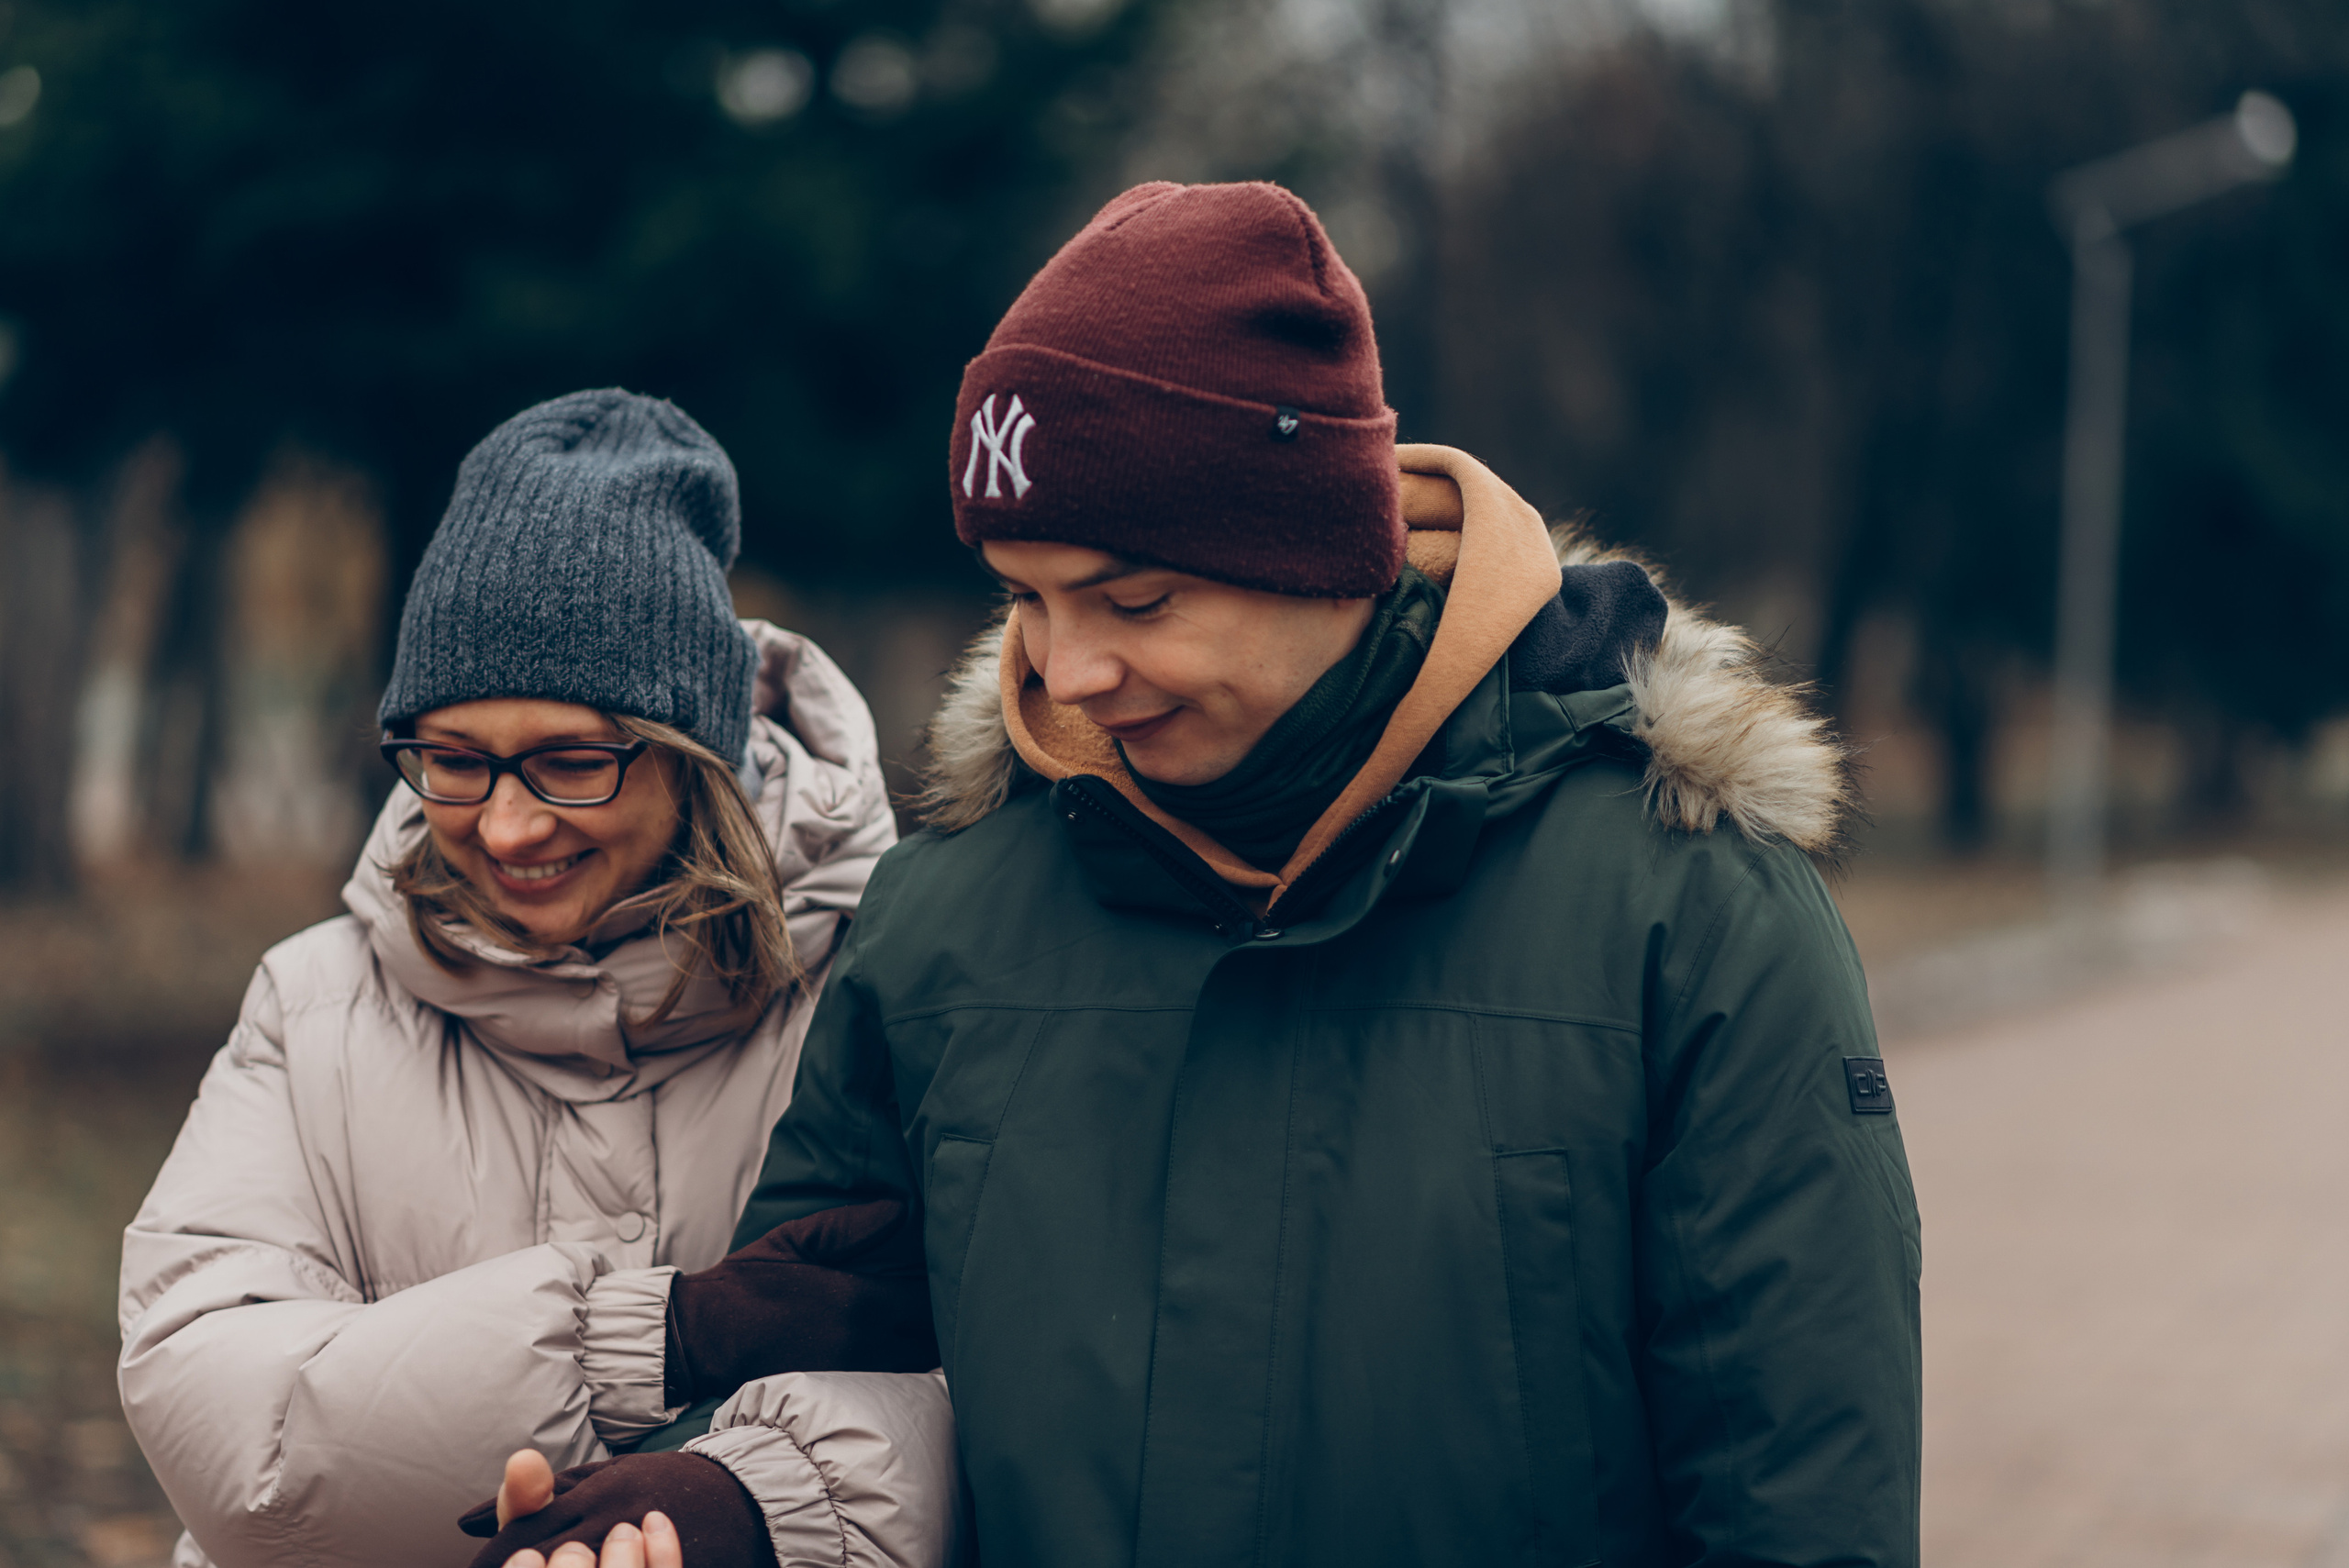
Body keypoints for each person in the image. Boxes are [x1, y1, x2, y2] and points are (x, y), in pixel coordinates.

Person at [487, 182, 1922, 1567]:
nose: (1070, 670)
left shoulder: (1691, 917)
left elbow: (1803, 1510)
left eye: (1135, 598)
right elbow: (812, 1371)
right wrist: (698, 1503)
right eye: (1028, 599)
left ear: (1325, 555)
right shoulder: (940, 927)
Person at [116, 390, 952, 1568]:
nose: (507, 826)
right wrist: (654, 1339)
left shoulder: (881, 986)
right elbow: (226, 1424)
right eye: (452, 762)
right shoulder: (313, 1009)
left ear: (694, 755)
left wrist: (756, 1505)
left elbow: (991, 1396)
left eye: (569, 760)